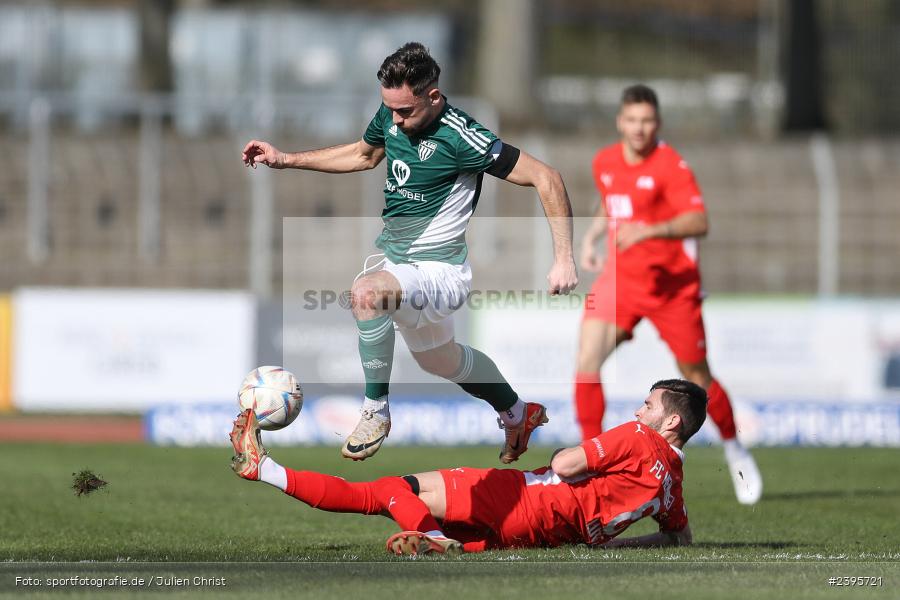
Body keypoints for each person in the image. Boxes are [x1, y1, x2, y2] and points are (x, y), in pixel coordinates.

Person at [242, 42, 578, 463]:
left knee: (367, 293)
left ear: (433, 96)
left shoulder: (462, 136)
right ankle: (516, 413)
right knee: (441, 362)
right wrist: (285, 158)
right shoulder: (392, 114)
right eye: (390, 109)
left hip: (441, 272)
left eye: (404, 111)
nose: (395, 121)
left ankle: (375, 411)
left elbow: (547, 178)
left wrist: (563, 257)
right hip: (402, 267)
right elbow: (364, 154)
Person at [230, 379, 704, 555]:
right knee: (395, 500)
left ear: (671, 420)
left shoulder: (638, 436)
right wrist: (611, 543)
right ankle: (439, 539)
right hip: (546, 534)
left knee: (390, 490)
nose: (640, 411)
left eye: (648, 405)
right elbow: (676, 537)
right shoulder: (673, 485)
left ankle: (265, 469)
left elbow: (567, 462)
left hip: (526, 496)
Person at [574, 84, 762, 505]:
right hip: (623, 280)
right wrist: (592, 237)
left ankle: (734, 446)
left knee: (698, 378)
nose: (639, 128)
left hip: (674, 288)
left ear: (657, 123)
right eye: (632, 120)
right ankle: (590, 459)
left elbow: (699, 220)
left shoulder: (671, 166)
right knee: (587, 361)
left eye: (647, 121)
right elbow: (611, 202)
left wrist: (651, 229)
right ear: (620, 122)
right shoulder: (604, 161)